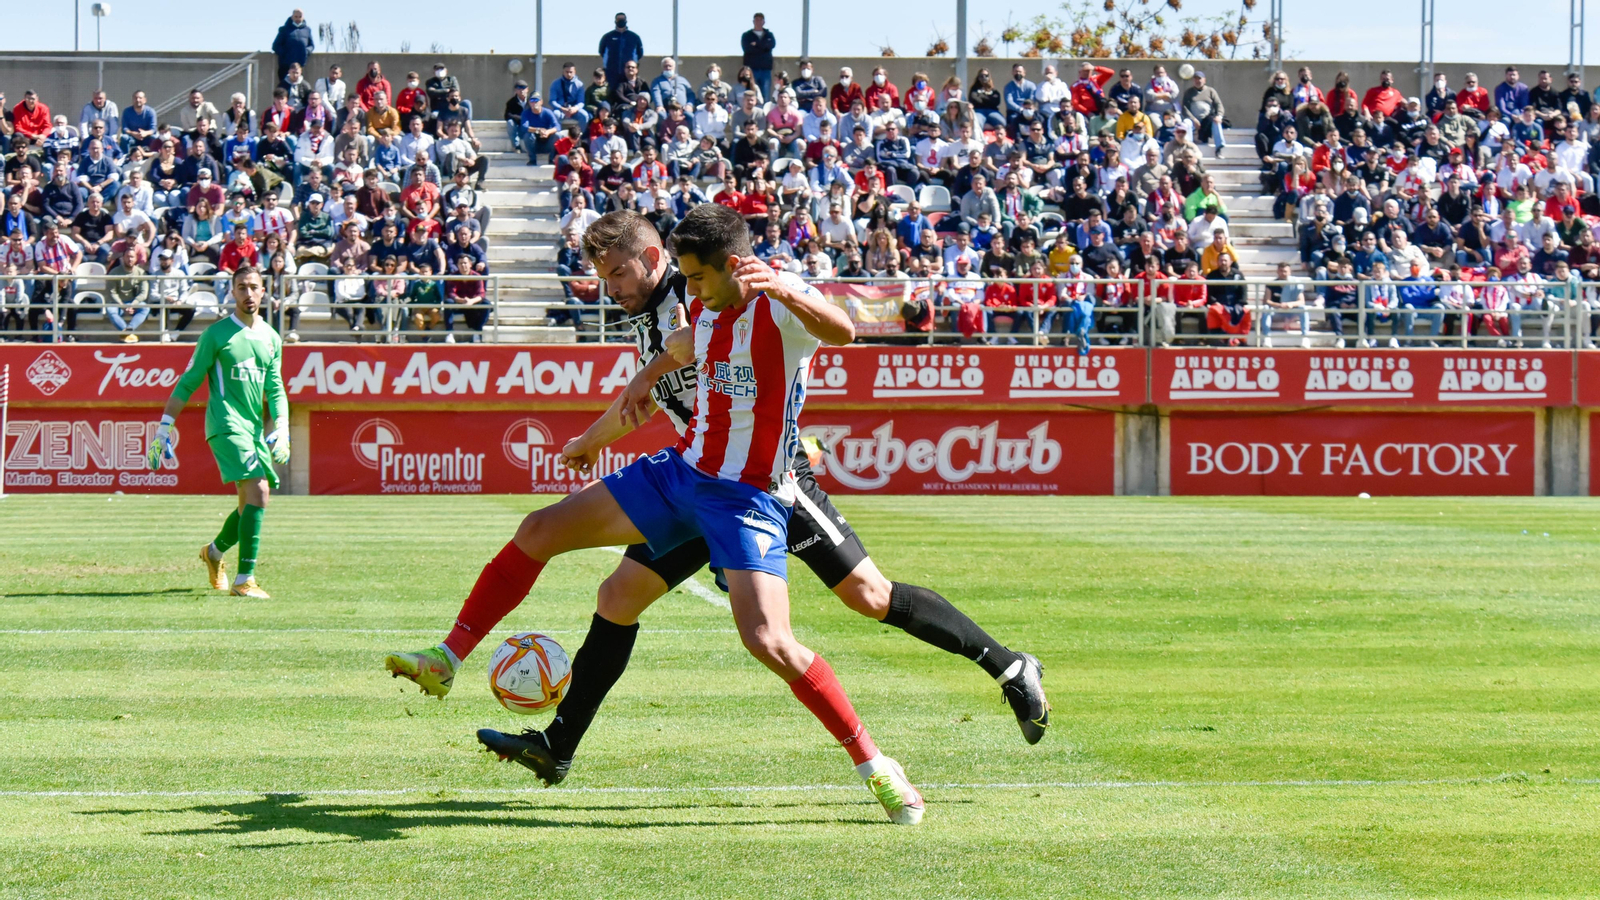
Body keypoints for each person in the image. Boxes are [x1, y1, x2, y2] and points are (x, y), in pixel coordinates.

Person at [385, 205, 930, 824]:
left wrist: (777, 285)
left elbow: (843, 331)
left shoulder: (775, 304)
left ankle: (877, 764)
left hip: (746, 494)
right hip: (681, 473)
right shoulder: (694, 309)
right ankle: (449, 659)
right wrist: (606, 425)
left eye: (694, 277)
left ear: (727, 268)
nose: (687, 289)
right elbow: (673, 353)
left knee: (770, 641)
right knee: (545, 534)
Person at [147, 266, 289, 599]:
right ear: (232, 292)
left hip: (253, 430)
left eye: (254, 287)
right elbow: (189, 381)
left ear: (264, 292)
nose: (248, 293)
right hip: (225, 424)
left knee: (247, 505)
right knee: (260, 491)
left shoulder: (271, 337)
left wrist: (282, 426)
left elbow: (276, 387)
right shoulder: (216, 334)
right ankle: (245, 580)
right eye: (241, 287)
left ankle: (213, 552)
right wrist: (164, 426)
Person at [598, 13, 645, 91]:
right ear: (615, 21)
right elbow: (602, 52)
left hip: (628, 74)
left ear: (626, 21)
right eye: (619, 19)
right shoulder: (607, 37)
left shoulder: (634, 37)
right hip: (611, 73)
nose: (621, 21)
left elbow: (639, 53)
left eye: (622, 19)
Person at [739, 13, 777, 102]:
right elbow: (747, 49)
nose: (758, 22)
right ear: (753, 21)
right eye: (757, 20)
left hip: (765, 69)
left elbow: (772, 45)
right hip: (752, 69)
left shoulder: (769, 35)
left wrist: (756, 44)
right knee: (752, 93)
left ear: (764, 22)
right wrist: (764, 47)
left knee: (765, 95)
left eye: (760, 20)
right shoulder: (747, 35)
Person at [270, 10, 314, 83]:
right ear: (292, 17)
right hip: (285, 66)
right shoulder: (284, 29)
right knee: (284, 89)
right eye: (296, 16)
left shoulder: (307, 30)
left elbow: (311, 45)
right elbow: (275, 46)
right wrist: (285, 54)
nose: (297, 19)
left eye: (300, 17)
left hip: (300, 65)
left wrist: (306, 52)